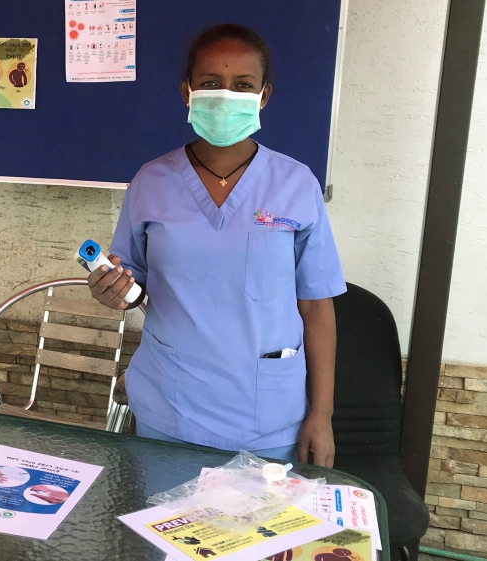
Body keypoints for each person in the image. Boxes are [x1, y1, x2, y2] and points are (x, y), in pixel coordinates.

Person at [89, 24, 345, 466]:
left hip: (267, 417)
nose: (225, 95)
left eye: (242, 85)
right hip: (170, 408)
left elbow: (317, 307)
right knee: (165, 530)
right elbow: (132, 284)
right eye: (210, 83)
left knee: (261, 532)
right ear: (187, 92)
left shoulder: (296, 184)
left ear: (263, 96)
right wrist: (112, 291)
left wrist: (321, 414)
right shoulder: (151, 182)